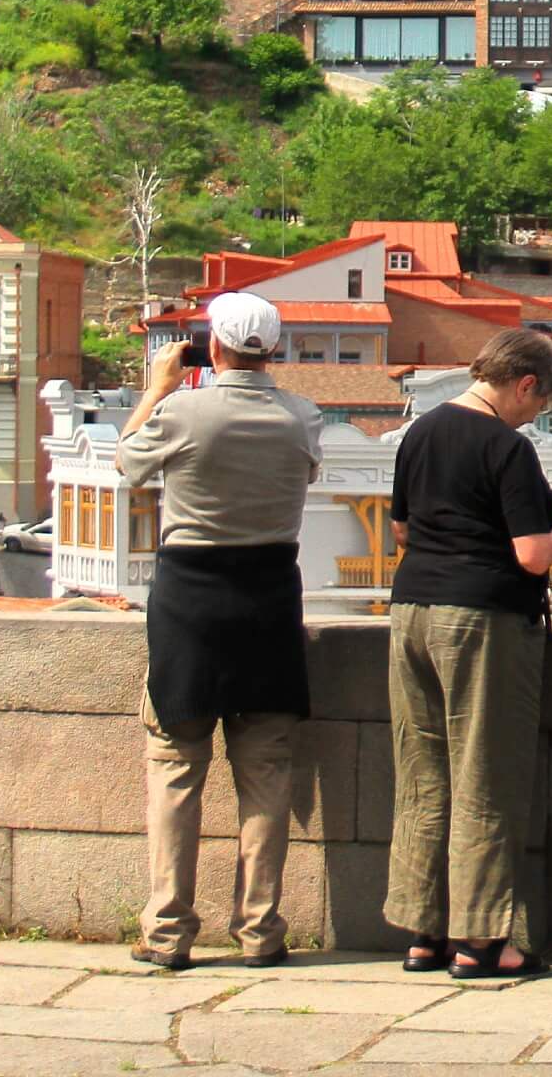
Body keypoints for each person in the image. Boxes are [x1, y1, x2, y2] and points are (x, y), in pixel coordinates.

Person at [116, 293, 323, 971]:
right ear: (274, 350)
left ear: (215, 346)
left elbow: (129, 465)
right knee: (265, 770)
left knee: (177, 766)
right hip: (269, 597)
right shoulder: (302, 419)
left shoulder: (184, 411)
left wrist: (156, 388)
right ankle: (261, 930)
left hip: (190, 601)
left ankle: (169, 930)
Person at [382, 330, 552, 980]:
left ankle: (423, 931)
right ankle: (483, 941)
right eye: (541, 405)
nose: (535, 418)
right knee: (486, 777)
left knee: (424, 775)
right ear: (525, 384)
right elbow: (530, 553)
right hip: (481, 618)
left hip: (410, 611)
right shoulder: (506, 447)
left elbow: (403, 530)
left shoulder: (419, 432)